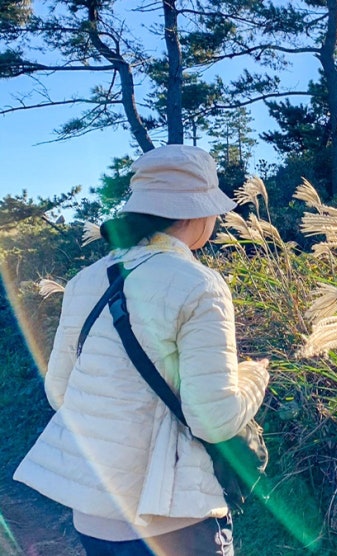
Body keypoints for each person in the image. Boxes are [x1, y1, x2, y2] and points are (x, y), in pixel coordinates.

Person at [14, 144, 269, 555]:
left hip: (95, 517)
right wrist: (255, 377)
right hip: (175, 522)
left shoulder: (85, 280)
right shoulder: (200, 284)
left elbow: (59, 393)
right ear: (195, 213)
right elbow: (213, 420)